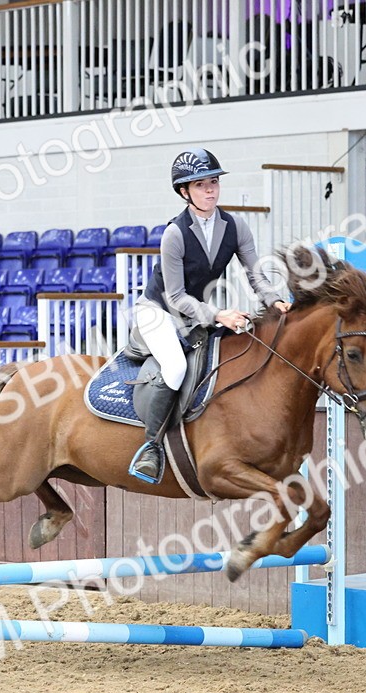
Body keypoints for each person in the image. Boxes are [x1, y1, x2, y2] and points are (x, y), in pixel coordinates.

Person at [128, 148, 292, 484]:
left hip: (197, 312)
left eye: (214, 182)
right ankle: (150, 447)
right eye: (201, 184)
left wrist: (276, 302)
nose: (211, 190)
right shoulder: (175, 233)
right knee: (175, 366)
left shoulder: (235, 226)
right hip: (159, 312)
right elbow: (175, 297)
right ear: (184, 192)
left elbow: (255, 274)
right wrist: (220, 315)